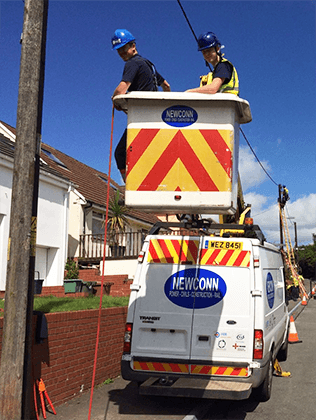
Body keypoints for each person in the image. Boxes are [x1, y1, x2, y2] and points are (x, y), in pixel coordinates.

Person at [111, 29, 171, 182]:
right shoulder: (149, 65)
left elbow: (122, 88)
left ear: (133, 45)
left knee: (120, 153)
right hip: (156, 117)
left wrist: (114, 99)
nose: (122, 53)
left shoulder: (132, 63)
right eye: (119, 51)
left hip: (141, 118)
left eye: (124, 48)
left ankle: (131, 187)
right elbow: (166, 85)